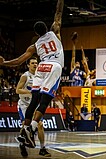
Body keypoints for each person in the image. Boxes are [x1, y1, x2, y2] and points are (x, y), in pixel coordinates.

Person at [0, 0, 64, 148]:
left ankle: (24, 132)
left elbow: (17, 61)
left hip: (41, 67)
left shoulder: (34, 46)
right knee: (44, 102)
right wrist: (60, 2)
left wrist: (3, 63)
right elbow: (58, 14)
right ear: (47, 28)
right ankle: (32, 129)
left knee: (34, 99)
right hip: (54, 67)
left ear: (36, 33)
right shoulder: (55, 31)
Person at [16, 57, 50, 157]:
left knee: (40, 125)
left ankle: (42, 148)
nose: (35, 65)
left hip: (34, 104)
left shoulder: (40, 76)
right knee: (24, 125)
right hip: (24, 104)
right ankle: (22, 144)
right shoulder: (25, 76)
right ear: (28, 65)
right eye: (32, 63)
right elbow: (18, 90)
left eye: (36, 63)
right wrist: (31, 92)